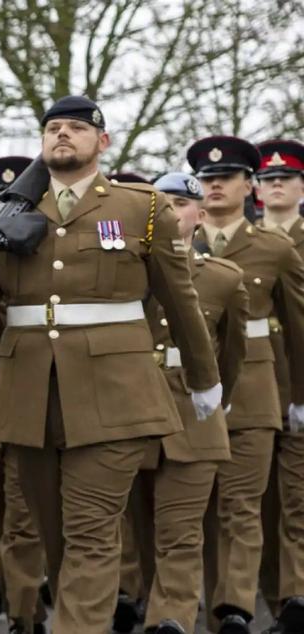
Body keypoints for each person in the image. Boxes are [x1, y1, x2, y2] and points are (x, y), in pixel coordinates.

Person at [0, 95, 222, 632]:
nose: (61, 135)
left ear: (102, 142)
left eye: (75, 128)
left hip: (114, 394)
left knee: (91, 531)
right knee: (56, 535)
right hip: (29, 396)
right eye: (52, 128)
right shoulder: (12, 210)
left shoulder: (142, 207)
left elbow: (179, 300)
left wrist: (205, 379)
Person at [120, 172, 249, 634]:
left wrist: (215, 404)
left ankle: (169, 620)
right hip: (134, 416)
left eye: (181, 203)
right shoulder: (126, 273)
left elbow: (231, 358)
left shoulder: (223, 278)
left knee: (179, 532)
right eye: (164, 203)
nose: (173, 212)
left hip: (194, 423)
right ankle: (147, 603)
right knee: (135, 533)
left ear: (199, 213)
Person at [186, 135, 304, 634]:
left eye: (226, 177)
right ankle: (214, 610)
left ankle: (234, 605)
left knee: (243, 504)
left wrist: (300, 395)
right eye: (207, 179)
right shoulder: (177, 245)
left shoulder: (273, 248)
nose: (214, 186)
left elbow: (298, 327)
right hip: (191, 390)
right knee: (200, 511)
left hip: (255, 386)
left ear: (247, 185)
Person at [0, 155, 49, 634]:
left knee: (25, 505)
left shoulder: (44, 243)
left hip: (34, 384)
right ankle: (13, 585)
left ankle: (26, 608)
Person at [253, 139, 304, 634]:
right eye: (268, 179)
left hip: (300, 379)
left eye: (285, 179)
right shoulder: (244, 240)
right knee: (260, 506)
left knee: (298, 501)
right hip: (257, 384)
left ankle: (296, 598)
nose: (275, 186)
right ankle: (277, 600)